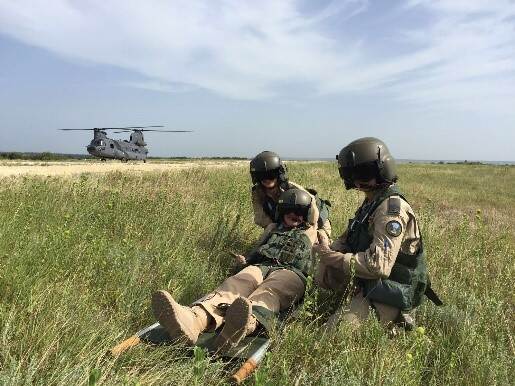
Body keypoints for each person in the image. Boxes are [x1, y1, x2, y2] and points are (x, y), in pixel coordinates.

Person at [152, 188, 319, 351]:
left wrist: (284, 180)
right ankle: (194, 319)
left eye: (300, 212)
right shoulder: (272, 228)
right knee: (236, 283)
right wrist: (245, 260)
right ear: (282, 211)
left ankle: (244, 324)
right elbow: (258, 248)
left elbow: (314, 209)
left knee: (270, 291)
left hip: (290, 272)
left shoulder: (312, 231)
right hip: (260, 265)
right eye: (291, 210)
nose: (295, 215)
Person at [313, 137, 441, 329]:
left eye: (364, 174)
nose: (358, 181)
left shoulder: (391, 210)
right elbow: (349, 235)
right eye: (354, 175)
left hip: (393, 289)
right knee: (323, 270)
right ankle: (356, 295)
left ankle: (398, 316)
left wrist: (332, 257)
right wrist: (327, 250)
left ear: (382, 169)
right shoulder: (372, 201)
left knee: (331, 335)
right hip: (372, 282)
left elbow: (378, 266)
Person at [250, 150, 331, 239]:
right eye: (262, 176)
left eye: (271, 174)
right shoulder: (258, 193)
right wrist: (278, 230)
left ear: (279, 174)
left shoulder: (292, 189)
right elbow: (260, 217)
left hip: (315, 224)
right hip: (285, 224)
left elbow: (313, 218)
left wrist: (307, 231)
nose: (267, 179)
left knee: (315, 246)